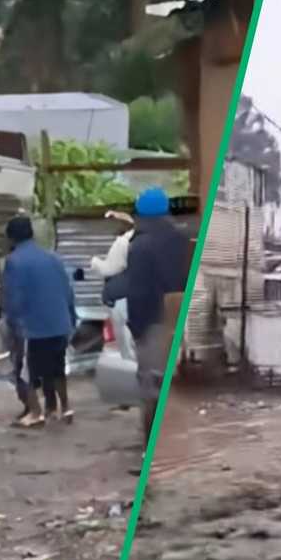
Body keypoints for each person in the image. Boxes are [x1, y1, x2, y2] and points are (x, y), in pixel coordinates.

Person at [126, 187, 189, 444]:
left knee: (152, 390)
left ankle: (150, 452)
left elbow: (138, 293)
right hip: (175, 321)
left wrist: (136, 328)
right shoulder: (181, 240)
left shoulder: (140, 246)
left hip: (153, 323)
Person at [2, 216, 77, 427]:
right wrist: (71, 318)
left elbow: (13, 298)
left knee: (28, 371)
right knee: (57, 368)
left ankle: (35, 413)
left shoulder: (14, 261)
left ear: (11, 238)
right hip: (60, 323)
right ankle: (65, 407)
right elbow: (67, 291)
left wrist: (14, 323)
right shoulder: (53, 258)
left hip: (34, 326)